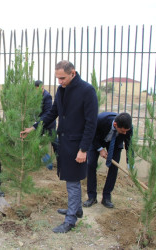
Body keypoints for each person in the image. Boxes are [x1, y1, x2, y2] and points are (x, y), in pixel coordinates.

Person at [21, 60, 98, 233]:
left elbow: (91, 123)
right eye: (57, 78)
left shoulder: (87, 91)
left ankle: (70, 220)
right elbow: (53, 112)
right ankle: (76, 209)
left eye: (62, 78)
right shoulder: (61, 90)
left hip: (77, 145)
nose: (60, 82)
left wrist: (84, 149)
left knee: (72, 182)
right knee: (69, 178)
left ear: (73, 73)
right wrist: (34, 127)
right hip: (64, 143)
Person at [83, 112, 133, 209]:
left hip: (115, 144)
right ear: (115, 125)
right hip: (97, 141)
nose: (125, 133)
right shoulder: (100, 120)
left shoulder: (128, 128)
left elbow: (129, 145)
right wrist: (100, 149)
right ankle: (92, 197)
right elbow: (91, 134)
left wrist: (130, 162)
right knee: (91, 164)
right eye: (122, 131)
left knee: (113, 168)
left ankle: (106, 197)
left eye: (127, 131)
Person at [35, 80, 57, 170]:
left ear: (42, 87)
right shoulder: (35, 96)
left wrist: (38, 122)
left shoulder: (47, 96)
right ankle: (39, 162)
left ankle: (60, 162)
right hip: (39, 124)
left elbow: (48, 113)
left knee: (54, 142)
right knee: (36, 141)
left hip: (49, 124)